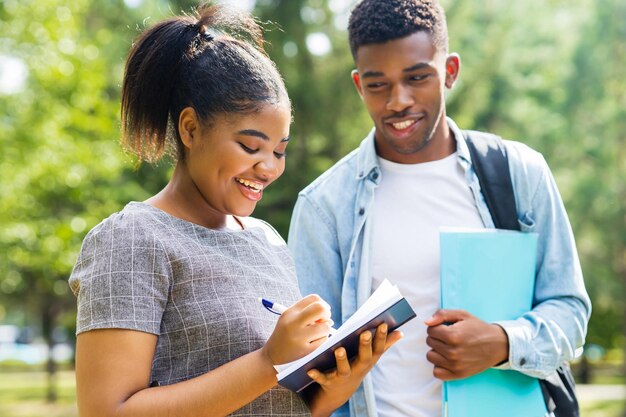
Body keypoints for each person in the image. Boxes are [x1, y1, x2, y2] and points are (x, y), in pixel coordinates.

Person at [68, 4, 402, 417]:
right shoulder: (131, 239)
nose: (268, 168)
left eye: (279, 151)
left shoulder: (265, 239)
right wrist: (267, 362)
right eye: (250, 146)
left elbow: (289, 405)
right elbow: (107, 411)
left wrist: (342, 377)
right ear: (190, 129)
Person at [288, 0, 591, 416]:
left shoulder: (520, 173)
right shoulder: (324, 206)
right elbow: (309, 377)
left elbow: (570, 310)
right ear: (359, 85)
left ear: (449, 72)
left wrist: (503, 342)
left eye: (417, 77)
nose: (398, 101)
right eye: (378, 85)